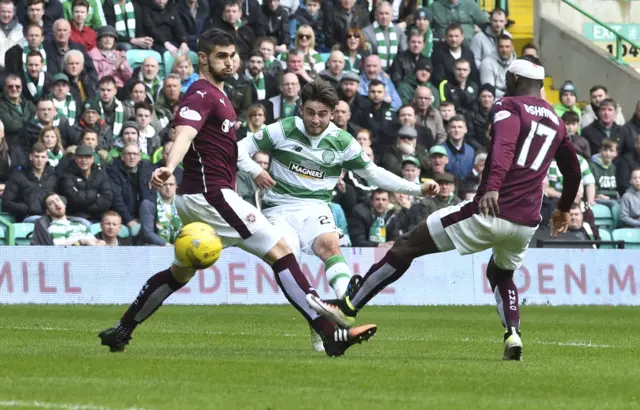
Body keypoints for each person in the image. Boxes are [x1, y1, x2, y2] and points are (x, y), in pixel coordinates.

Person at [98, 28, 377, 357]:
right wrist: (170, 165)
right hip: (211, 196)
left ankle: (123, 329)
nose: (230, 62)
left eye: (233, 56)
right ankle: (329, 333)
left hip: (200, 197)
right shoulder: (201, 93)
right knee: (281, 250)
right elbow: (184, 134)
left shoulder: (219, 94)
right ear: (203, 59)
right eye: (221, 56)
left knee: (179, 272)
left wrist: (253, 170)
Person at [306, 56, 583, 362]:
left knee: (407, 245)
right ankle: (513, 334)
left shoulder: (509, 106)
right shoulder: (557, 120)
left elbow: (503, 148)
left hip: (490, 210)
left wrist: (492, 186)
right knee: (501, 273)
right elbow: (573, 171)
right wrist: (563, 209)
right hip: (527, 221)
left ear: (515, 80)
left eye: (508, 79)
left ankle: (347, 308)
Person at [237, 79, 437, 350]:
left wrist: (416, 189)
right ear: (301, 109)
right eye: (310, 112)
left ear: (332, 114)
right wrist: (256, 171)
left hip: (316, 208)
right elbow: (239, 148)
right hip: (279, 208)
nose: (315, 120)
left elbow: (374, 173)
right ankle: (317, 321)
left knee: (330, 246)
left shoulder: (342, 142)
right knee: (287, 262)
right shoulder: (283, 129)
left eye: (322, 114)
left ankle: (343, 306)